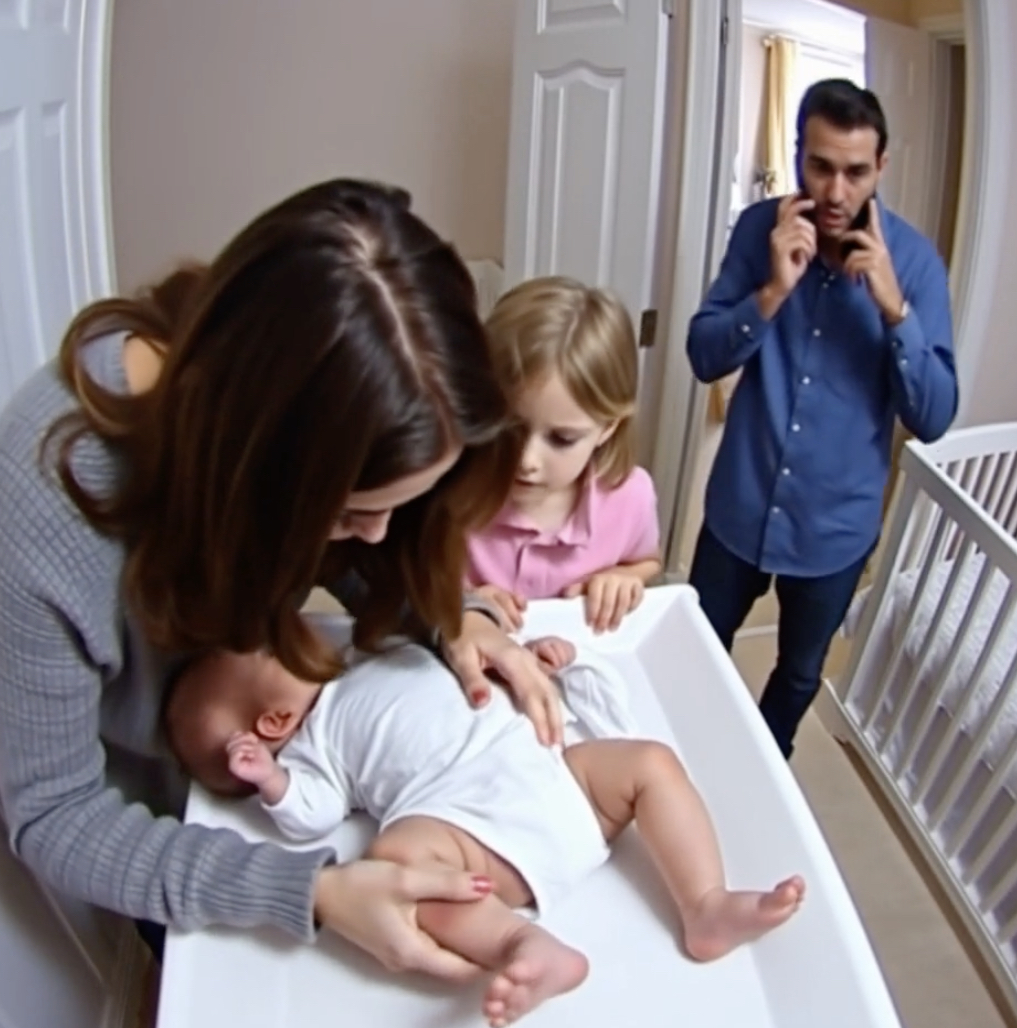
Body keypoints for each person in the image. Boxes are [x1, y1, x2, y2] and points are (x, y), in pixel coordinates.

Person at [0, 178, 566, 978]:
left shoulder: (293, 372)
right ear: (250, 467)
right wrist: (313, 891)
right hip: (145, 816)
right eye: (352, 512)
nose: (376, 536)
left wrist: (454, 619)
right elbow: (56, 815)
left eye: (400, 507)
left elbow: (371, 553)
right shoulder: (42, 508)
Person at [166, 636, 806, 1028]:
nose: (287, 633)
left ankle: (704, 904)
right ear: (274, 721)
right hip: (472, 823)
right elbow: (316, 812)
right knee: (396, 860)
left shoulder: (376, 649)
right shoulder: (313, 744)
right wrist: (272, 780)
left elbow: (469, 656)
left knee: (651, 764)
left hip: (559, 776)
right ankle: (522, 944)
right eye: (270, 649)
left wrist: (535, 656)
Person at [686, 79, 957, 758]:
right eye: (821, 166)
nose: (836, 192)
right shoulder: (759, 231)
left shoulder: (916, 265)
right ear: (798, 156)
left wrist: (895, 310)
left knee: (800, 674)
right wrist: (772, 290)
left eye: (855, 171)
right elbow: (703, 356)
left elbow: (933, 417)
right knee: (695, 648)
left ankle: (760, 772)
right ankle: (681, 760)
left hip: (834, 531)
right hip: (739, 506)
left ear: (881, 166)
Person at [465, 277, 661, 635]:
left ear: (608, 427)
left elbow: (647, 561)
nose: (526, 460)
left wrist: (624, 577)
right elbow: (416, 582)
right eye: (509, 428)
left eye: (562, 439)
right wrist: (464, 604)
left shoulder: (630, 497)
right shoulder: (454, 487)